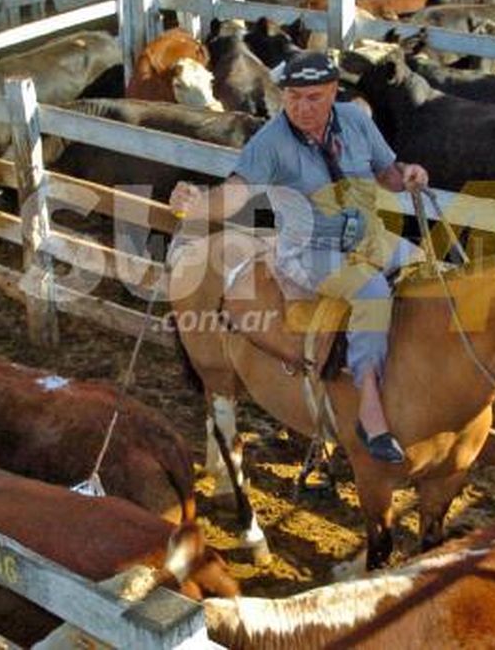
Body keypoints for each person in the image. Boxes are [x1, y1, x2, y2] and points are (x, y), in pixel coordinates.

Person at [169, 51, 429, 463]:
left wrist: (409, 174)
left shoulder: (358, 122)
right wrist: (200, 201)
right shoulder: (271, 141)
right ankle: (368, 408)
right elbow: (237, 190)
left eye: (313, 98)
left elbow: (387, 173)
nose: (302, 108)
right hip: (309, 250)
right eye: (293, 97)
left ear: (332, 94)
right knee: (372, 292)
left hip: (368, 236)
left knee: (433, 275)